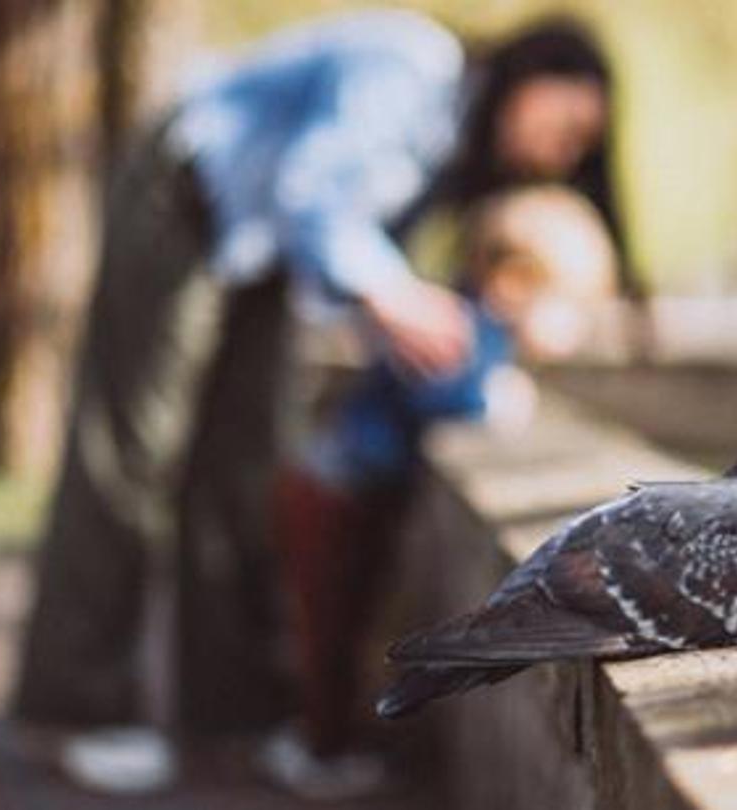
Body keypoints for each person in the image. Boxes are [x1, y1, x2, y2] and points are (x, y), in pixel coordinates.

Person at [9, 10, 639, 795]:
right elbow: (312, 189)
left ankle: (235, 719)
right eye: (568, 122)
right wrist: (391, 293)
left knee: (242, 472)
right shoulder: (413, 70)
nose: (564, 152)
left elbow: (349, 266)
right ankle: (76, 709)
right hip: (185, 197)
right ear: (528, 76)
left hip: (259, 250)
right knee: (132, 453)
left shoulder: (447, 163)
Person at [259, 186, 617, 799]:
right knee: (330, 630)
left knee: (343, 623)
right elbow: (438, 394)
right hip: (332, 496)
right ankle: (316, 749)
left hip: (343, 492)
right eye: (571, 308)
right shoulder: (461, 330)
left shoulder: (475, 329)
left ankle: (322, 740)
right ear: (514, 282)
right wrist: (491, 400)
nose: (578, 327)